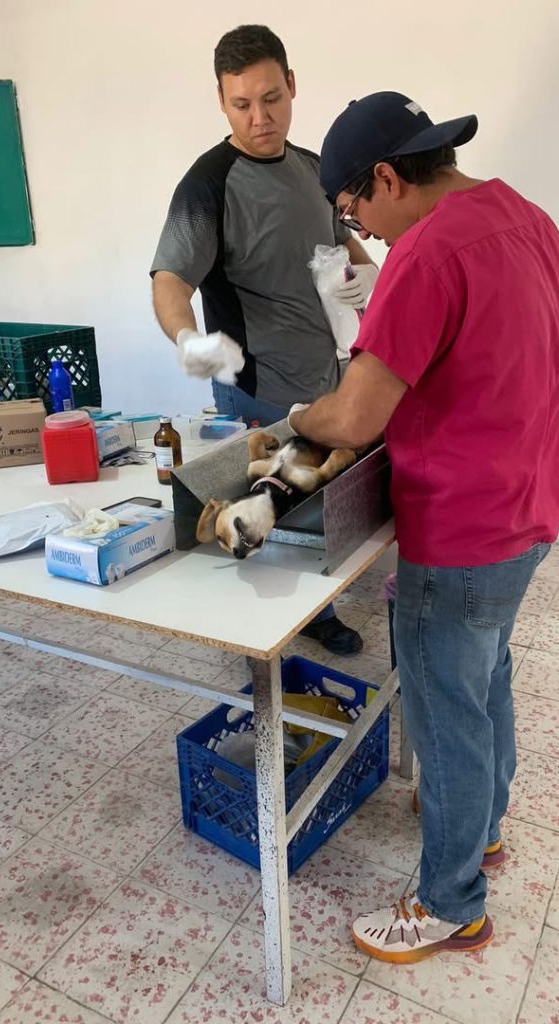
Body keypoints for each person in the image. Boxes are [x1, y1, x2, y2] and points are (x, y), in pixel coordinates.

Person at [288, 91, 559, 963]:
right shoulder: (527, 217)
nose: (363, 236)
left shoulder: (426, 252)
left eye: (354, 213)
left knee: (445, 713)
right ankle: (482, 828)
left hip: (461, 528)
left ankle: (451, 904)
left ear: (386, 177)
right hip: (528, 507)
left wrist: (300, 418)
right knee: (484, 679)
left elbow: (356, 416)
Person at [151, 24, 377, 656]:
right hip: (258, 386)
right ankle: (259, 638)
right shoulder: (208, 185)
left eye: (272, 98)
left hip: (330, 376)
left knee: (318, 499)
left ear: (292, 85)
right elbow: (170, 280)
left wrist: (371, 276)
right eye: (242, 104)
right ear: (221, 102)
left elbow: (344, 243)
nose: (260, 118)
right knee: (265, 508)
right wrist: (187, 337)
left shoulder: (314, 170)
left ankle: (314, 609)